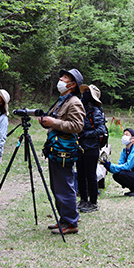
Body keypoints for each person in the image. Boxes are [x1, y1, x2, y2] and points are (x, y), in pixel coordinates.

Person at [39, 68, 85, 235]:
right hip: (56, 149)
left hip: (64, 150)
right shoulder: (62, 100)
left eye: (65, 78)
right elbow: (57, 121)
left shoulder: (74, 102)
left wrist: (53, 122)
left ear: (72, 85)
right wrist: (46, 122)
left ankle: (71, 223)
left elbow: (77, 126)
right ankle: (64, 219)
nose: (61, 79)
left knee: (64, 186)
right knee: (57, 186)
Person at [77, 84, 107, 213]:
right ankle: (83, 200)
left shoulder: (95, 111)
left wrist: (85, 134)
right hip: (80, 146)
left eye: (88, 92)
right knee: (80, 174)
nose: (85, 94)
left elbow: (101, 129)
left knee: (90, 175)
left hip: (92, 147)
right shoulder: (82, 108)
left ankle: (93, 203)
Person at [101, 128, 134, 196]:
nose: (124, 136)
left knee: (122, 174)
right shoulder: (124, 151)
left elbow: (127, 166)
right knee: (117, 175)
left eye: (127, 134)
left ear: (133, 138)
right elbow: (120, 166)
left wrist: (110, 166)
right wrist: (107, 166)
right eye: (123, 134)